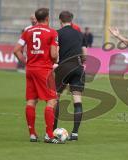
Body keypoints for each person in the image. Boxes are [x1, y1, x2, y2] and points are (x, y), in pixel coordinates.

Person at [13, 8, 63, 144]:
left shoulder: (27, 31)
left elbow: (16, 50)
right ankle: (49, 135)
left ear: (36, 18)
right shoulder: (52, 32)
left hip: (30, 70)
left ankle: (33, 134)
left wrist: (25, 63)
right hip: (44, 71)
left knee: (31, 100)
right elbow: (53, 55)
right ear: (47, 18)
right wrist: (56, 58)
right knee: (52, 100)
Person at [53, 11, 87, 141]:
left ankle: (53, 130)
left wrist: (56, 62)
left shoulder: (58, 33)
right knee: (77, 100)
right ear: (71, 20)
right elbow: (85, 54)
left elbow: (55, 53)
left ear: (60, 20)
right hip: (78, 67)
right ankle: (75, 133)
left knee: (55, 98)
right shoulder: (79, 34)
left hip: (64, 67)